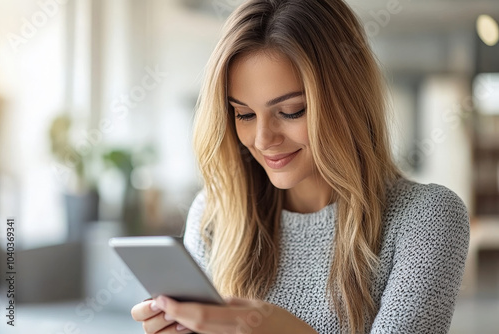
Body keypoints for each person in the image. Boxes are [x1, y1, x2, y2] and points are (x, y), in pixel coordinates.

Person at [131, 0, 470, 333]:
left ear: (347, 100)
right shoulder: (215, 214)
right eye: (244, 114)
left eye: (291, 111)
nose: (263, 139)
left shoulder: (426, 217)